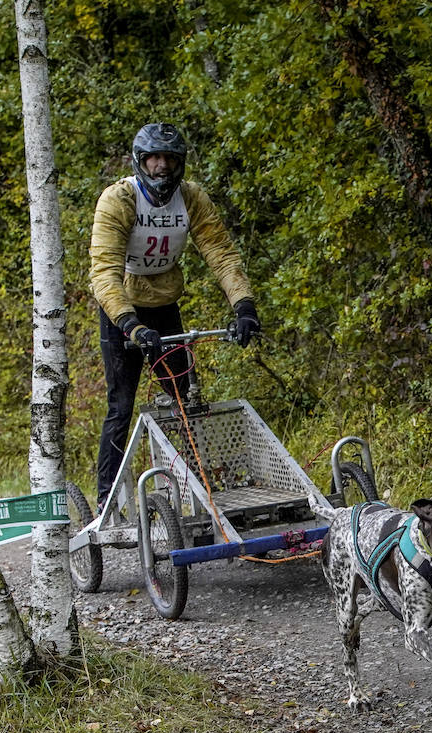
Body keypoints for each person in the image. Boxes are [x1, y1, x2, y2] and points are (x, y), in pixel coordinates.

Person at [89, 122, 261, 510]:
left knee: (184, 399)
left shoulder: (192, 198)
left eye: (169, 158)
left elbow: (220, 252)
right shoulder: (118, 200)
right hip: (123, 313)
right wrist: (130, 324)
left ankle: (200, 489)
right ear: (139, 161)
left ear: (180, 162)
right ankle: (107, 499)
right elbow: (104, 271)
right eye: (153, 158)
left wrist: (243, 305)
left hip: (165, 306)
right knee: (121, 405)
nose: (161, 166)